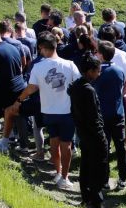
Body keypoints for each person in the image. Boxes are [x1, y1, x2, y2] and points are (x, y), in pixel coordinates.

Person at [12, 31, 79, 189]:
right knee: (66, 145)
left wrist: (18, 100)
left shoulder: (38, 67)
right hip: (67, 111)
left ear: (42, 47)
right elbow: (78, 85)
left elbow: (31, 88)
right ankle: (65, 176)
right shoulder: (70, 65)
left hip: (48, 111)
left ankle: (58, 172)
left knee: (54, 144)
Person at [69, 53, 109, 208]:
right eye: (97, 71)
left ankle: (86, 197)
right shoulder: (88, 90)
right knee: (98, 168)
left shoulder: (76, 87)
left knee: (85, 165)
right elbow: (94, 117)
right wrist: (102, 137)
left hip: (82, 132)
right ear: (90, 71)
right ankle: (96, 202)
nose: (99, 74)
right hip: (94, 134)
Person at [94, 41, 126, 190]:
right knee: (120, 147)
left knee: (103, 148)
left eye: (97, 52)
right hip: (118, 113)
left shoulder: (98, 72)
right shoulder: (119, 70)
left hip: (102, 114)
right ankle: (123, 178)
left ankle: (104, 180)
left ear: (101, 54)